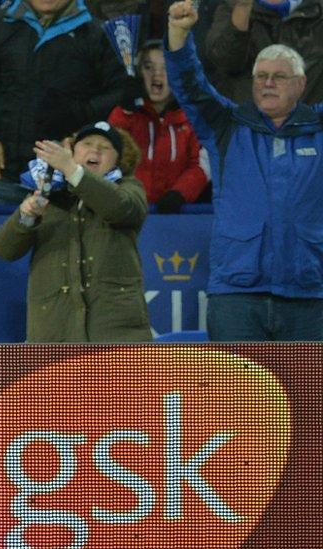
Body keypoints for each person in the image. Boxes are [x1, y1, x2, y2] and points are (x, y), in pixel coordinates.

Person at [166, 0, 323, 341]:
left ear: (301, 83)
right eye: (261, 76)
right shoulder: (227, 127)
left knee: (309, 396)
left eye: (279, 76)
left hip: (309, 295)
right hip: (237, 297)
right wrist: (178, 35)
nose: (268, 83)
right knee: (241, 396)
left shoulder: (319, 128)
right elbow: (191, 87)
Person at [0, 122, 152, 342]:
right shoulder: (48, 192)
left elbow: (122, 209)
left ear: (118, 159)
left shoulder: (129, 188)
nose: (94, 150)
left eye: (105, 148)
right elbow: (5, 250)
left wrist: (72, 170)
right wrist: (26, 215)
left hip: (116, 336)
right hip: (54, 335)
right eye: (87, 144)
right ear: (73, 151)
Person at [0, 0, 134, 204]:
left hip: (65, 177)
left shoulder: (97, 33)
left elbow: (118, 92)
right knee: (4, 235)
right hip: (2, 172)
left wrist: (78, 119)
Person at [108, 39, 208, 212]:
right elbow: (110, 152)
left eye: (166, 68)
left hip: (173, 218)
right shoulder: (126, 114)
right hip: (130, 213)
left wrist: (180, 193)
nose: (157, 75)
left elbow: (201, 165)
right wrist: (125, 111)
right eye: (149, 67)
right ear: (139, 74)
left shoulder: (192, 119)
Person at [205, 0, 323, 104]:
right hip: (248, 122)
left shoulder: (317, 11)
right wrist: (243, 8)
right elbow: (224, 62)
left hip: (308, 123)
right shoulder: (232, 6)